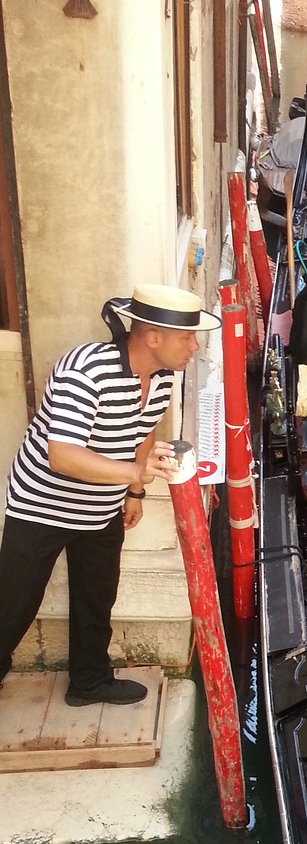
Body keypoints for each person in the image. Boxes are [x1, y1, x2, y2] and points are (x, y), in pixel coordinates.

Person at [0, 284, 220, 707]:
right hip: (41, 505)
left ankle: (90, 681)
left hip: (101, 508)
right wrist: (134, 472)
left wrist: (134, 491)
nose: (195, 345)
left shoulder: (161, 376)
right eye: (186, 336)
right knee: (13, 606)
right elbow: (62, 456)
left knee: (97, 596)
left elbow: (145, 429)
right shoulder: (83, 373)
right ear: (152, 336)